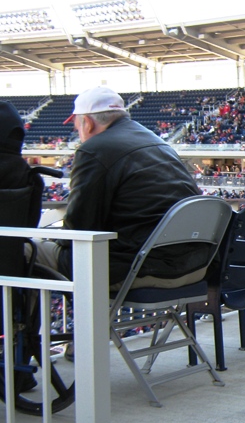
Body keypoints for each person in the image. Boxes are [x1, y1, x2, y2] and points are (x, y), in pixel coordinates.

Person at [35, 87, 210, 289]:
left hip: (139, 268)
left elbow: (78, 229)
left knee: (24, 250)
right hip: (193, 266)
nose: (77, 131)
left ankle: (22, 322)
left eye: (76, 125)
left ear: (88, 123)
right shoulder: (157, 142)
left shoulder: (94, 149)